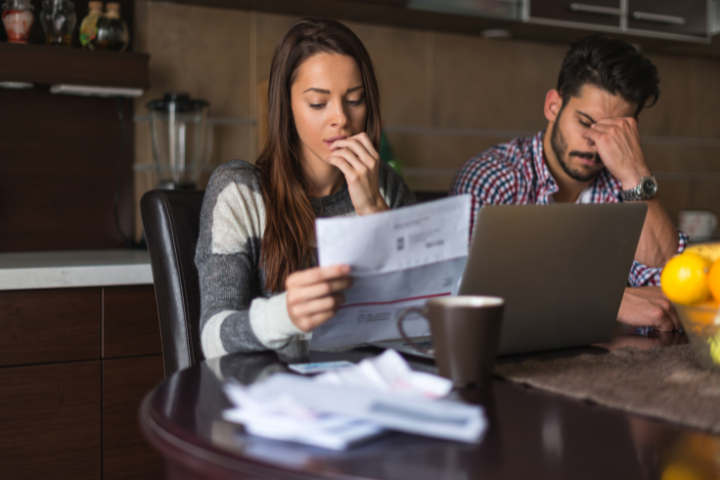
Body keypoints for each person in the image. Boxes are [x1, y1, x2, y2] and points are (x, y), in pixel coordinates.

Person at [196, 18, 416, 359]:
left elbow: (423, 318)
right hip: (275, 396)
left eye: (354, 100)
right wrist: (285, 315)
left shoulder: (385, 185)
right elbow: (213, 339)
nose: (341, 118)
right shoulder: (239, 192)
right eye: (318, 103)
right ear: (287, 107)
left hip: (368, 389)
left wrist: (374, 210)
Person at [451, 34, 687, 332]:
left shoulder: (625, 188)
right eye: (586, 122)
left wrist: (635, 173)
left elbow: (675, 295)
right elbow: (467, 301)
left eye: (613, 131)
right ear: (553, 106)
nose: (594, 142)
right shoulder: (493, 177)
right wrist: (610, 300)